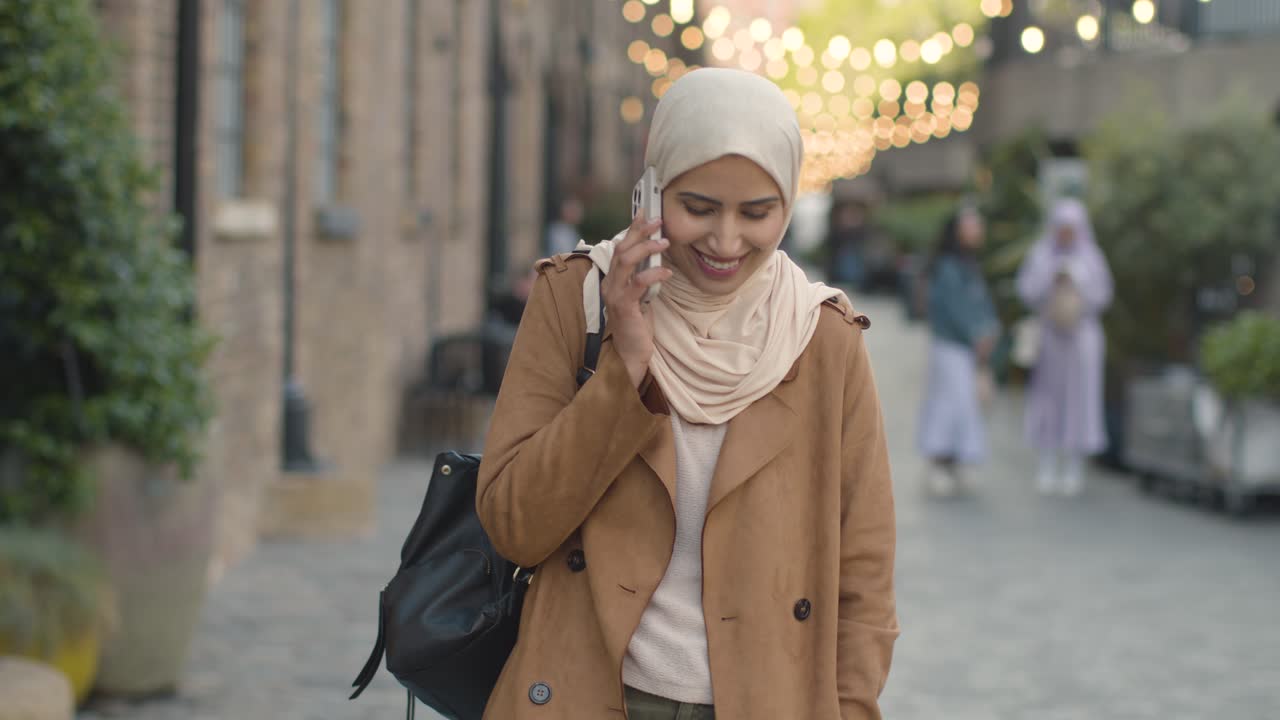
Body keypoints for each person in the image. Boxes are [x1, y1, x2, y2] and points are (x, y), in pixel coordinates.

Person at [476, 68, 898, 720]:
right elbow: (513, 526)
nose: (727, 242)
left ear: (787, 203)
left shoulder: (822, 338)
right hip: (589, 695)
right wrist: (626, 367)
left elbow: (864, 580)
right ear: (649, 192)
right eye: (698, 208)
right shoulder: (577, 299)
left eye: (758, 213)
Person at [1016, 197, 1114, 496]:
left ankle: (1074, 466)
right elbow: (1027, 290)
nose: (1065, 234)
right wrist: (1051, 277)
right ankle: (1047, 464)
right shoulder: (1042, 254)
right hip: (1050, 341)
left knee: (1079, 400)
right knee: (1048, 400)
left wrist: (1077, 280)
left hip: (1081, 341)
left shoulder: (1091, 257)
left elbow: (1103, 296)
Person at [915, 206, 1000, 497]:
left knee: (964, 407)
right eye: (971, 224)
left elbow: (980, 304)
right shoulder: (948, 267)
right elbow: (954, 308)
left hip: (966, 350)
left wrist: (989, 329)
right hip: (951, 347)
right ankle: (939, 462)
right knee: (949, 405)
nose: (978, 229)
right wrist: (978, 333)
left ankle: (953, 461)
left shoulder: (968, 264)